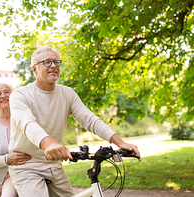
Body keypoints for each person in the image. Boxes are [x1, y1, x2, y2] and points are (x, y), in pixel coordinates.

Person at [8, 46, 141, 197]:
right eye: (47, 62)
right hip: (27, 166)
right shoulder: (20, 95)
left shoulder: (67, 93)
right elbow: (28, 124)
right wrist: (49, 143)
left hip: (53, 165)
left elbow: (90, 119)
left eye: (56, 62)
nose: (53, 66)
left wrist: (120, 142)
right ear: (34, 69)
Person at [0, 82, 32, 197]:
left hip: (16, 173)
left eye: (7, 92)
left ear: (13, 95)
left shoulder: (23, 121)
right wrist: (8, 159)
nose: (3, 96)